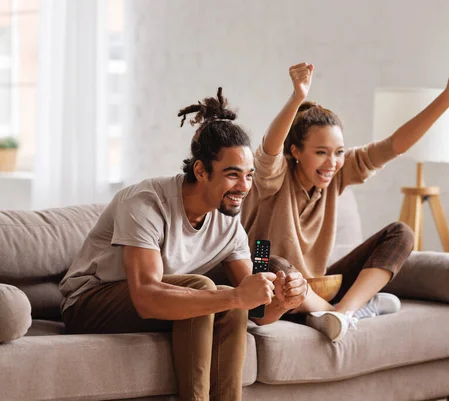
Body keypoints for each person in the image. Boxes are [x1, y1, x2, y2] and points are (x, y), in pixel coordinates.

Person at [59, 88, 308, 401]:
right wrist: (233, 296)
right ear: (201, 171)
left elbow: (253, 308)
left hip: (161, 301)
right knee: (207, 289)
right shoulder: (146, 203)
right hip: (88, 303)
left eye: (249, 175)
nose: (244, 187)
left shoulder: (228, 221)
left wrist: (283, 301)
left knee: (222, 300)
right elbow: (146, 297)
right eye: (233, 175)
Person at [241, 62, 449, 342]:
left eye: (338, 152)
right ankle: (336, 314)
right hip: (272, 290)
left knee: (400, 233)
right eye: (321, 152)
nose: (332, 162)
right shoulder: (273, 176)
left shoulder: (337, 173)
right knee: (270, 262)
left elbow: (394, 145)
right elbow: (269, 150)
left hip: (315, 288)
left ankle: (342, 314)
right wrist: (297, 98)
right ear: (295, 152)